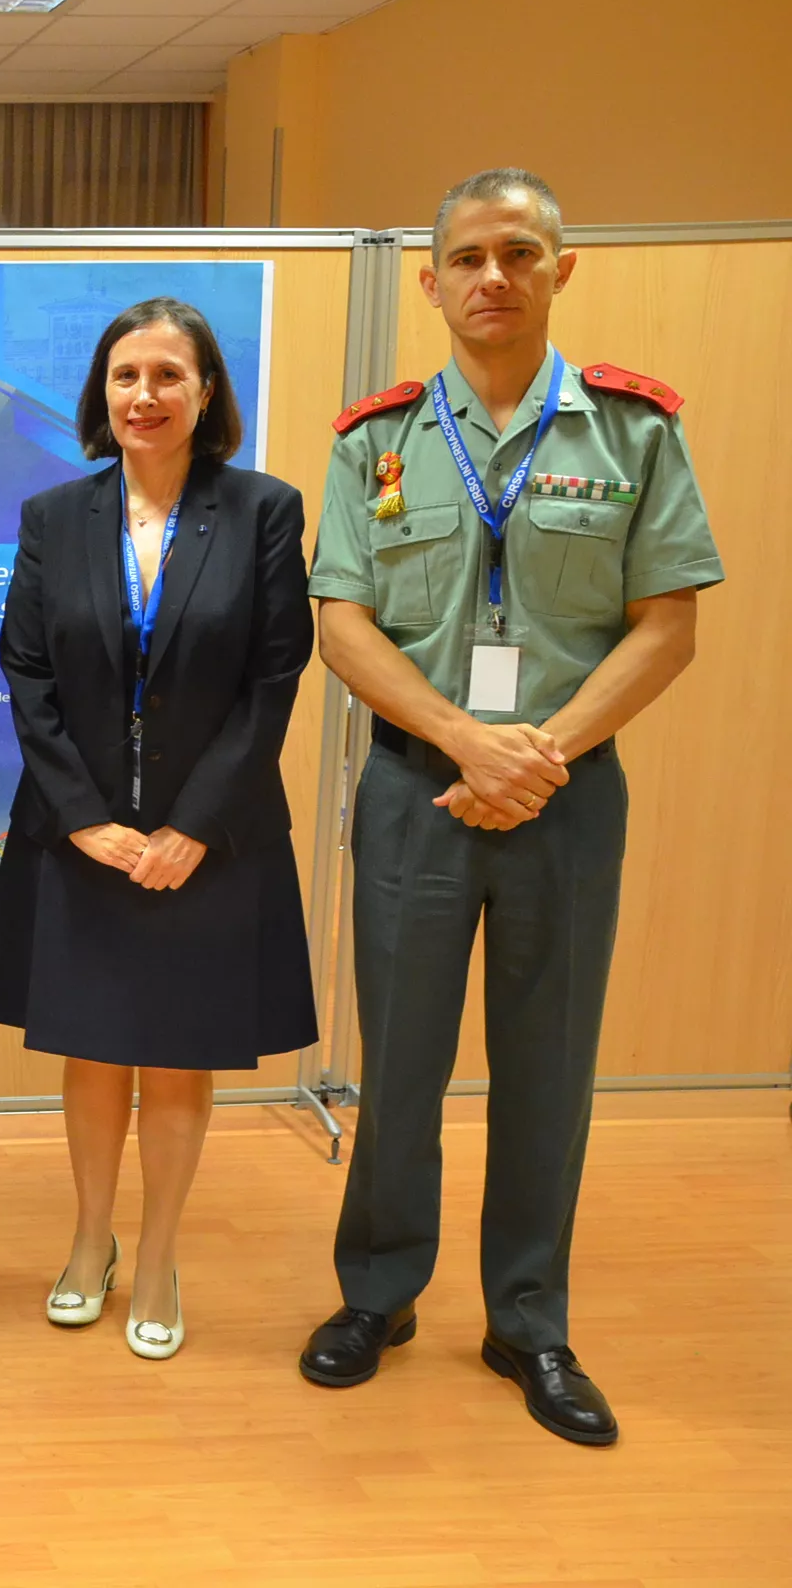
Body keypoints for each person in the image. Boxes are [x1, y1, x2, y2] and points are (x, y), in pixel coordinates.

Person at [299, 169, 720, 1444]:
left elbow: (666, 624)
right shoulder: (374, 441)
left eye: (519, 254)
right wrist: (463, 745)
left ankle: (528, 1321)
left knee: (548, 1066)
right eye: (470, 258)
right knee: (400, 1060)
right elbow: (341, 622)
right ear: (428, 282)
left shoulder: (631, 432)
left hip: (566, 795)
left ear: (559, 270)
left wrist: (534, 758)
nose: (493, 277)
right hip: (414, 790)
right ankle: (377, 1294)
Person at [0, 297, 316, 1361]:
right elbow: (26, 673)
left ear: (205, 392)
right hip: (81, 839)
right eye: (126, 376)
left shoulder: (261, 510)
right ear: (101, 393)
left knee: (172, 1057)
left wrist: (192, 828)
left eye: (168, 375)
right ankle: (90, 1241)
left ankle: (158, 1256)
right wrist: (82, 819)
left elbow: (272, 680)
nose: (145, 395)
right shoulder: (57, 515)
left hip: (208, 843)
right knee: (92, 1052)